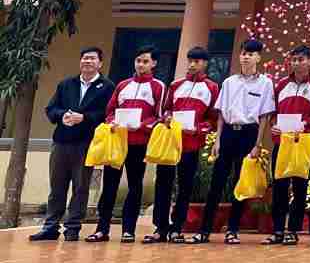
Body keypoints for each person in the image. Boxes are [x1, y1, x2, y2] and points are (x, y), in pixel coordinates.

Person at [193, 38, 275, 244]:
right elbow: (220, 114)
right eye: (243, 53)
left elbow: (265, 117)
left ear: (258, 57)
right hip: (228, 133)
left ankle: (233, 230)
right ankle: (204, 231)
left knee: (241, 183)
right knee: (216, 183)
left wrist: (257, 144)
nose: (245, 57)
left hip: (249, 134)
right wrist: (218, 140)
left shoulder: (265, 83)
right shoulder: (229, 82)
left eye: (250, 53)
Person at [30, 46, 113, 242]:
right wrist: (63, 115)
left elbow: (107, 115)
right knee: (57, 186)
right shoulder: (67, 84)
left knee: (80, 187)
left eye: (92, 59)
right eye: (84, 58)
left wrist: (84, 117)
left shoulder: (107, 86)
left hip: (86, 143)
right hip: (61, 141)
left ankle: (73, 227)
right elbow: (51, 108)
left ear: (100, 63)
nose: (87, 62)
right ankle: (50, 226)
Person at [86, 45, 165, 243]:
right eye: (138, 61)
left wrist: (142, 125)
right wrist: (112, 122)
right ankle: (102, 229)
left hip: (139, 143)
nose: (141, 64)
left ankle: (128, 230)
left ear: (154, 63)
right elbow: (110, 110)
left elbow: (160, 116)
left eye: (145, 61)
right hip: (117, 142)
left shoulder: (158, 87)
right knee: (109, 185)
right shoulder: (122, 85)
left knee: (134, 186)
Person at [148, 46, 219, 244]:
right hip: (170, 143)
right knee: (162, 184)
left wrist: (197, 129)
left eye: (197, 61)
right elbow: (166, 110)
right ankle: (160, 228)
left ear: (205, 63)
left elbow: (213, 120)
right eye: (190, 61)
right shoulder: (176, 85)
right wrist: (168, 118)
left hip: (191, 144)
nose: (192, 65)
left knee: (185, 186)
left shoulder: (212, 88)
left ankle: (177, 227)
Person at [264, 45, 310, 246]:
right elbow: (272, 112)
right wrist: (273, 126)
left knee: (300, 187)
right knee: (280, 186)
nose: (296, 63)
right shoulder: (281, 84)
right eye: (294, 59)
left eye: (301, 59)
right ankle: (278, 230)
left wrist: (305, 125)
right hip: (281, 142)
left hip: (303, 142)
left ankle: (293, 230)